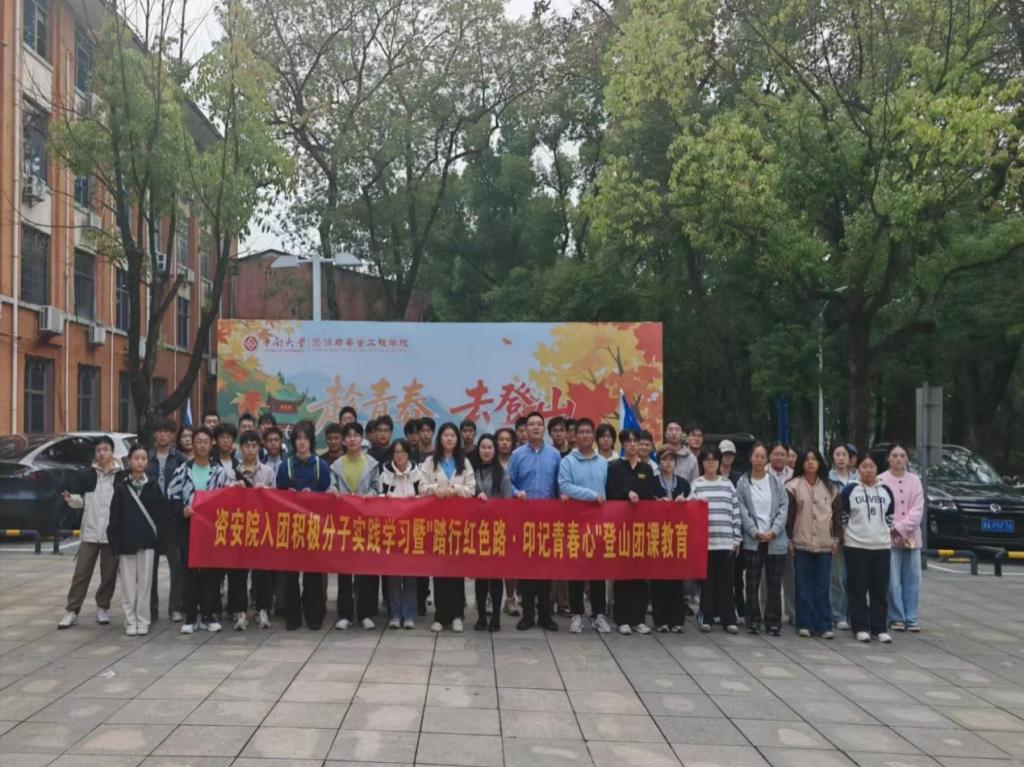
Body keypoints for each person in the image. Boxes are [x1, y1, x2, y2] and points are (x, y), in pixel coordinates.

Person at [167, 427, 233, 634]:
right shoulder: (182, 470)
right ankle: (190, 616)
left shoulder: (219, 472)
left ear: (211, 444)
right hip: (188, 528)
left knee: (210, 573)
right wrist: (182, 510)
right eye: (198, 441)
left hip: (211, 529)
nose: (202, 445)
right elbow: (172, 496)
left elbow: (228, 498)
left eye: (206, 441)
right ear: (192, 444)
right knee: (189, 572)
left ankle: (208, 615)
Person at [57, 437, 123, 629]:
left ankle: (103, 607)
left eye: (105, 449)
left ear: (112, 452)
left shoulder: (121, 476)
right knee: (81, 573)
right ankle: (72, 610)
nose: (101, 453)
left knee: (109, 574)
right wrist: (71, 499)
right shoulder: (87, 474)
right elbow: (81, 500)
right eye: (98, 450)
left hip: (111, 533)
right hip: (90, 531)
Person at [557, 418, 612, 634]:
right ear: (575, 436)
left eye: (589, 432)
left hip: (599, 523)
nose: (585, 435)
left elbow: (608, 490)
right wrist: (591, 495)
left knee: (598, 570)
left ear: (593, 435)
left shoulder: (603, 462)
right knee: (577, 570)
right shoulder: (567, 462)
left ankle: (598, 614)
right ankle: (577, 614)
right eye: (581, 432)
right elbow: (565, 486)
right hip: (576, 522)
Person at [420, 422, 476, 632]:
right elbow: (421, 487)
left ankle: (457, 615)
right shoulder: (430, 461)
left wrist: (455, 489)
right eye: (446, 435)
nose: (449, 438)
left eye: (453, 435)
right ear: (440, 438)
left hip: (458, 523)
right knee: (439, 570)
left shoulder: (464, 462)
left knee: (456, 570)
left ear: (457, 439)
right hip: (436, 523)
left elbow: (471, 489)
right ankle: (440, 615)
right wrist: (437, 489)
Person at [508, 411, 561, 632]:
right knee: (526, 568)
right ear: (526, 429)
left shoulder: (555, 455)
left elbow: (559, 485)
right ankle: (528, 615)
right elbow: (508, 483)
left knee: (546, 569)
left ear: (544, 428)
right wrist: (516, 492)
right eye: (532, 424)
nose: (536, 427)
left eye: (539, 424)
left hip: (548, 519)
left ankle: (545, 615)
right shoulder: (517, 455)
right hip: (525, 519)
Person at [276, 421, 331, 631]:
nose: (302, 442)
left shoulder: (320, 466)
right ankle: (292, 617)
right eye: (298, 438)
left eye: (306, 438)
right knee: (290, 575)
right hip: (291, 527)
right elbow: (278, 496)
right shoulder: (285, 466)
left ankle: (314, 615)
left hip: (314, 527)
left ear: (311, 441)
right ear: (293, 442)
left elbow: (327, 494)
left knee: (313, 574)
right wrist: (289, 495)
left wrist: (314, 496)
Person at [108, 444, 167, 636]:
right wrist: (115, 543)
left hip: (147, 542)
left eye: (143, 458)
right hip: (126, 542)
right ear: (129, 461)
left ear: (147, 462)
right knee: (127, 585)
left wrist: (160, 541)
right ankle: (130, 620)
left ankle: (143, 620)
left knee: (145, 584)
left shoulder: (153, 485)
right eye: (136, 458)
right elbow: (114, 517)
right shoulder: (121, 487)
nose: (140, 462)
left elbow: (160, 515)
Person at [835, 453, 894, 643]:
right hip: (856, 546)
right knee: (857, 589)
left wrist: (882, 534)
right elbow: (843, 517)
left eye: (871, 466)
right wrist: (850, 536)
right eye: (864, 467)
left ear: (877, 469)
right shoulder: (850, 491)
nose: (868, 470)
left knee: (880, 589)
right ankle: (860, 627)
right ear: (858, 469)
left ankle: (879, 628)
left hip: (881, 546)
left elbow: (889, 518)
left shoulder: (886, 491)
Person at [329, 421, 382, 630]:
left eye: (356, 435)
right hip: (343, 524)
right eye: (348, 435)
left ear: (362, 439)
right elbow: (331, 486)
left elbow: (377, 487)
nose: (352, 439)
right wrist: (332, 490)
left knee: (365, 569)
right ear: (344, 440)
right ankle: (346, 614)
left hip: (365, 522)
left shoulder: (372, 464)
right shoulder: (336, 465)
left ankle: (366, 613)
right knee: (344, 570)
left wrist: (371, 494)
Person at [606, 428, 658, 635]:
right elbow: (611, 493)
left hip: (642, 528)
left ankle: (639, 618)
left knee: (641, 574)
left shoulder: (647, 469)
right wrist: (626, 493)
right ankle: (622, 618)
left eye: (636, 441)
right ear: (623, 445)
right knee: (623, 574)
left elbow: (649, 494)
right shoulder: (615, 467)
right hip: (621, 528)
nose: (633, 445)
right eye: (628, 441)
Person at [786, 448, 840, 638]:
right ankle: (804, 623)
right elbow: (789, 517)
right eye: (807, 459)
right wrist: (789, 540)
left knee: (822, 586)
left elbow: (837, 516)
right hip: (801, 542)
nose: (810, 463)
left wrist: (836, 539)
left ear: (820, 463)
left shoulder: (830, 487)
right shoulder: (792, 486)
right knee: (803, 585)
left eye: (814, 459)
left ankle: (824, 625)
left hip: (825, 544)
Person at [736, 442, 789, 636]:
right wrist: (753, 531)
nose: (759, 459)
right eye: (756, 456)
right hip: (753, 540)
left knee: (774, 583)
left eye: (762, 456)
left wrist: (773, 531)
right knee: (752, 582)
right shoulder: (743, 483)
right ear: (750, 458)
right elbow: (741, 509)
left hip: (775, 539)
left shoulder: (775, 482)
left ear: (767, 460)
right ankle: (753, 620)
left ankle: (773, 622)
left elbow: (783, 507)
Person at [689, 446, 742, 634]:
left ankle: (729, 619)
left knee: (726, 583)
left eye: (714, 460)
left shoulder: (728, 484)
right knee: (707, 583)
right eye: (707, 460)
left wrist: (737, 538)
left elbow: (736, 512)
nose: (710, 463)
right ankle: (706, 617)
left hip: (725, 542)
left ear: (719, 463)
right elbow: (689, 510)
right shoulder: (697, 484)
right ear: (702, 463)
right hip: (705, 543)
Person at [230, 430, 277, 630]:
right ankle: (240, 611)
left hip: (262, 527)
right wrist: (234, 487)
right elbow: (226, 499)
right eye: (247, 445)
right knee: (239, 571)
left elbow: (277, 499)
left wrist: (267, 492)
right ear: (241, 448)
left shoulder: (267, 471)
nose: (250, 449)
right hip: (240, 526)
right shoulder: (233, 471)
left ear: (259, 447)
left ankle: (262, 609)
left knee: (262, 571)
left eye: (254, 445)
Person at [880, 442, 924, 633]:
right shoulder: (881, 480)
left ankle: (911, 617)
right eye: (894, 455)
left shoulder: (915, 480)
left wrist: (901, 528)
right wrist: (892, 529)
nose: (898, 459)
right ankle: (896, 616)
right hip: (889, 537)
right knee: (892, 579)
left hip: (912, 537)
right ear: (888, 458)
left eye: (902, 455)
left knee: (913, 579)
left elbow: (917, 509)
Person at [147, 417, 187, 623]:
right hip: (151, 519)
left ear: (172, 435)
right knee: (149, 566)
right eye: (159, 431)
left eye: (167, 432)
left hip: (173, 519)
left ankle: (176, 607)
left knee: (176, 565)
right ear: (154, 434)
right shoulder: (146, 458)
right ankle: (151, 608)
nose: (163, 435)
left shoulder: (180, 459)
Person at [471, 434, 512, 631]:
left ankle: (495, 617)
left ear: (495, 451)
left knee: (496, 576)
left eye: (490, 447)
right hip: (477, 531)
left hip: (497, 531)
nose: (486, 451)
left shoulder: (502, 474)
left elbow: (508, 502)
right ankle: (481, 616)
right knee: (480, 576)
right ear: (478, 450)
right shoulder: (472, 472)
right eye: (483, 447)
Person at [380, 438, 422, 629]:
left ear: (408, 454)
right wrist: (385, 497)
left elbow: (425, 497)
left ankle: (409, 614)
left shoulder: (417, 473)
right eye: (396, 452)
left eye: (402, 452)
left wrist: (416, 499)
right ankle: (395, 614)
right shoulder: (386, 474)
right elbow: (378, 497)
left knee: (410, 575)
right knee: (393, 575)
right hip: (391, 531)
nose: (399, 456)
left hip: (413, 531)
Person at [650, 446, 691, 633]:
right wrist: (655, 503)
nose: (668, 463)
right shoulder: (652, 483)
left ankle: (677, 620)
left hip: (677, 537)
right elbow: (645, 506)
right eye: (665, 459)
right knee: (659, 579)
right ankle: (661, 620)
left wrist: (685, 502)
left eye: (672, 459)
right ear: (659, 462)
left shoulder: (683, 484)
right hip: (657, 536)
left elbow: (692, 506)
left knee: (676, 579)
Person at [828, 443, 857, 630]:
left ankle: (852, 613)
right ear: (833, 457)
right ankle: (838, 614)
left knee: (853, 577)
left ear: (850, 458)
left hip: (857, 535)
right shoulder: (827, 480)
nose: (841, 458)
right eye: (837, 454)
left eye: (844, 454)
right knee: (837, 577)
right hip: (836, 534)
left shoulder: (858, 479)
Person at [767, 441, 795, 624]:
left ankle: (793, 612)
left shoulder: (794, 476)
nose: (779, 457)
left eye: (782, 454)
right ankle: (766, 611)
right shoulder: (761, 473)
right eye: (775, 454)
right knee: (766, 577)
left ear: (788, 456)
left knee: (790, 575)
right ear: (770, 456)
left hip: (790, 531)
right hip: (765, 531)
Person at [663, 420, 698, 484]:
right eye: (670, 429)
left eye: (677, 430)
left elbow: (695, 484)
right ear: (665, 434)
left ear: (682, 434)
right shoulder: (658, 456)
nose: (674, 433)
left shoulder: (691, 458)